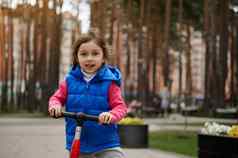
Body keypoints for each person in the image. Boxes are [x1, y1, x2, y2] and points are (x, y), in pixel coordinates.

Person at [48, 31, 127, 158]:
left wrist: (110, 115)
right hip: (79, 141)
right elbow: (56, 98)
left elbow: (121, 107)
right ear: (77, 58)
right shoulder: (69, 81)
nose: (89, 58)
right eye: (84, 54)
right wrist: (55, 106)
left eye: (95, 54)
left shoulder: (109, 82)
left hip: (106, 142)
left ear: (103, 58)